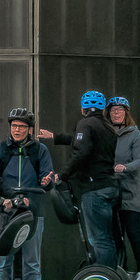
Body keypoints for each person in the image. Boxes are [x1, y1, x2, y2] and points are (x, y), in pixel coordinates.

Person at [0, 108, 58, 280]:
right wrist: (6, 199)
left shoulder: (40, 150)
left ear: (29, 129)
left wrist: (47, 181)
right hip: (6, 210)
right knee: (3, 260)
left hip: (33, 209)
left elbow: (48, 177)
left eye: (22, 127)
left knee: (32, 260)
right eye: (14, 126)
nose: (17, 130)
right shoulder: (0, 148)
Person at [41, 90, 121, 267]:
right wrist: (56, 137)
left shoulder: (85, 123)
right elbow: (88, 142)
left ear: (84, 108)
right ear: (102, 108)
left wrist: (62, 175)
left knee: (99, 239)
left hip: (93, 189)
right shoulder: (108, 128)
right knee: (108, 238)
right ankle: (114, 279)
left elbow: (81, 152)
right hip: (109, 186)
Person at [108, 96, 140, 279]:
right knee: (116, 236)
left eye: (120, 110)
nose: (116, 113)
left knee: (133, 233)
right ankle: (121, 274)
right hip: (111, 192)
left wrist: (125, 167)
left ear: (126, 113)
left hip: (130, 193)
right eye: (113, 110)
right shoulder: (106, 134)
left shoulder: (135, 134)